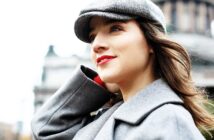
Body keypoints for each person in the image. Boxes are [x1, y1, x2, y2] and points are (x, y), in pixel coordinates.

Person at [31, 0, 214, 139]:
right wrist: (99, 84)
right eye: (93, 36)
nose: (96, 45)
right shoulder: (110, 117)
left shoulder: (170, 121)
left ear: (151, 41)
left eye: (115, 28)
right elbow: (45, 130)